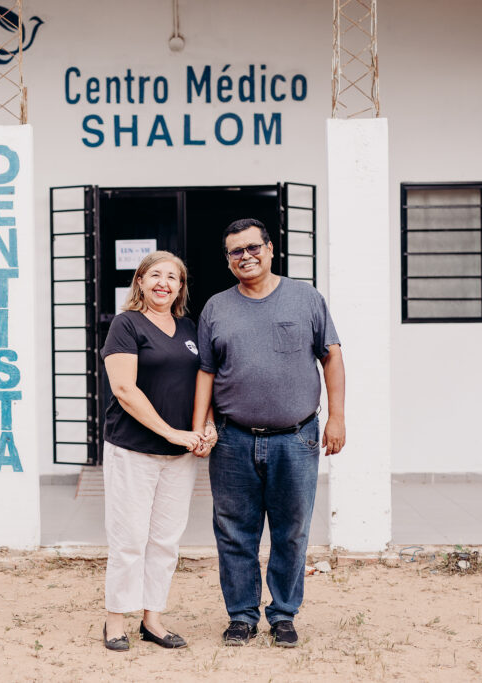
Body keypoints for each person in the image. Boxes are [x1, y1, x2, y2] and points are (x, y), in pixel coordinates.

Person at [191, 218, 346, 648]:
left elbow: (332, 359)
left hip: (296, 438)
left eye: (253, 247)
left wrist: (337, 418)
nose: (246, 256)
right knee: (234, 531)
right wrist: (199, 425)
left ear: (271, 248)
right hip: (233, 438)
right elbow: (206, 371)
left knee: (291, 531)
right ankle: (241, 615)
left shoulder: (306, 298)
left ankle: (283, 615)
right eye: (236, 252)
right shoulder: (216, 308)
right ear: (228, 260)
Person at [99, 250, 215, 652]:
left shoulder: (189, 327)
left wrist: (206, 427)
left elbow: (206, 380)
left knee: (165, 540)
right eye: (156, 275)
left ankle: (153, 620)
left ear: (181, 287)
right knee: (129, 539)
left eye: (173, 277)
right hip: (133, 450)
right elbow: (124, 389)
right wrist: (172, 433)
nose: (164, 283)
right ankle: (116, 622)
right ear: (141, 282)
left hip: (180, 456)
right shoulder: (126, 324)